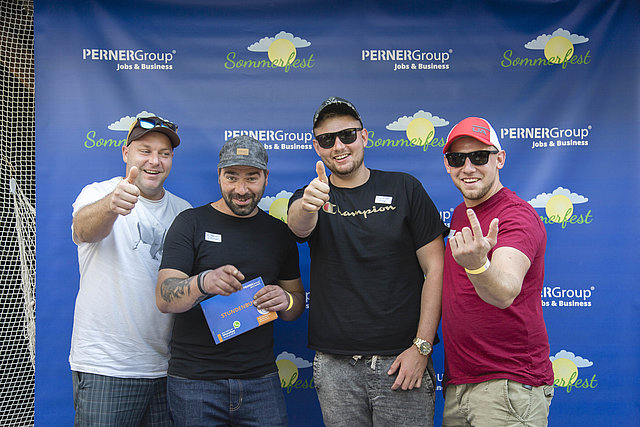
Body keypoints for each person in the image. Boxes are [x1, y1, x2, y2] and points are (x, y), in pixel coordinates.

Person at [287, 97, 447, 426]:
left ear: (364, 137)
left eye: (347, 135)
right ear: (316, 147)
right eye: (327, 139)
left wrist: (422, 347)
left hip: (402, 361)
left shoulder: (405, 187)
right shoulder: (310, 195)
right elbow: (298, 224)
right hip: (335, 368)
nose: (338, 146)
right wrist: (308, 205)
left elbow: (436, 269)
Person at [156, 135, 305, 426]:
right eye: (231, 177)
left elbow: (296, 305)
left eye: (252, 177)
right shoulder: (190, 223)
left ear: (265, 177)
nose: (241, 189)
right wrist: (203, 282)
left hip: (260, 380)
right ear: (219, 176)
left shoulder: (279, 233)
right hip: (194, 382)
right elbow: (164, 297)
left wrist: (285, 300)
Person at [70, 116, 191, 426]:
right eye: (145, 150)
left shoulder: (184, 212)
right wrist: (111, 205)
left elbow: (191, 288)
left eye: (164, 153)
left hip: (168, 371)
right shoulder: (98, 193)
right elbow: (83, 229)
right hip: (107, 368)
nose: (155, 161)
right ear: (126, 153)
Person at [441, 117, 554, 426]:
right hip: (461, 383)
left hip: (508, 384)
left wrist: (478, 264)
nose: (468, 167)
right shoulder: (462, 213)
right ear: (447, 165)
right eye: (457, 158)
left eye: (479, 156)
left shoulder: (516, 216)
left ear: (499, 159)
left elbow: (504, 291)